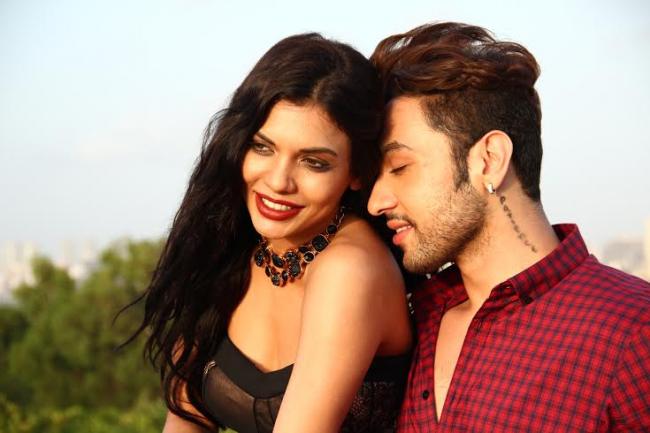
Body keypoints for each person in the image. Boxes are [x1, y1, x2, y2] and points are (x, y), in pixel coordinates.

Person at [368, 22, 650, 432]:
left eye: (399, 167)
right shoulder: (414, 318)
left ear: (489, 160)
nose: (377, 202)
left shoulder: (633, 331)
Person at [129, 33, 412, 433]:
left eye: (314, 162)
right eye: (263, 148)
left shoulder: (351, 270)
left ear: (357, 173)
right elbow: (184, 419)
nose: (279, 182)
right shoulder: (228, 246)